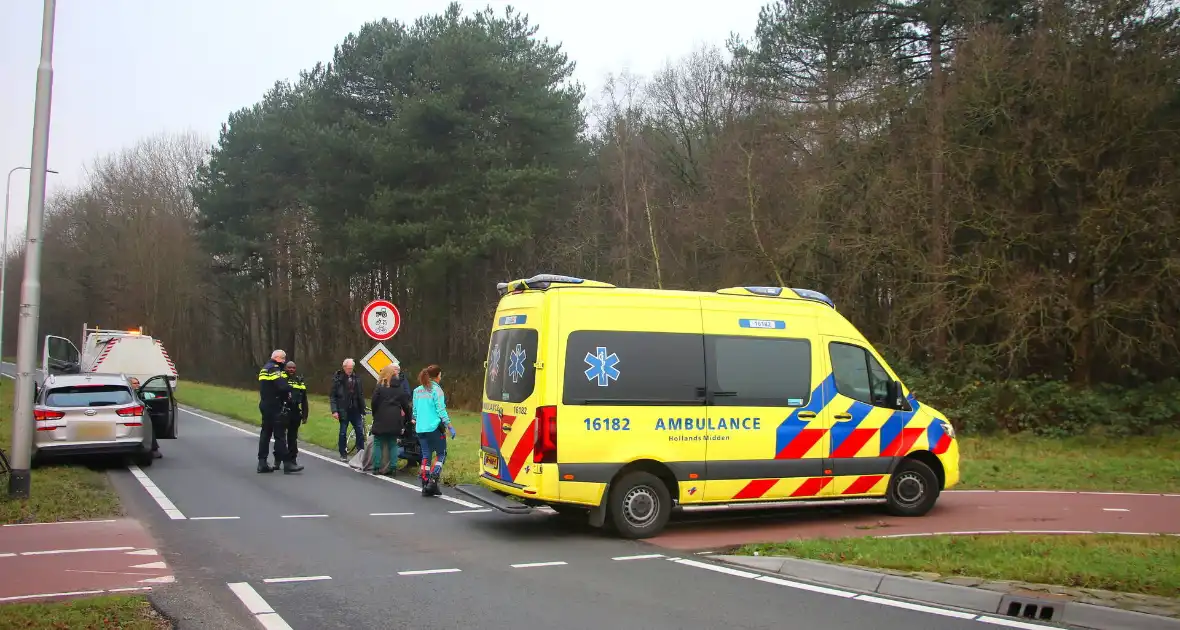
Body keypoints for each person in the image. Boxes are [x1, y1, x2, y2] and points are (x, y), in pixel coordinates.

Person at [412, 364, 456, 497]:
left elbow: (414, 411)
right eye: (440, 375)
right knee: (441, 453)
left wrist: (416, 419)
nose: (441, 377)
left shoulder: (417, 391)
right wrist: (449, 426)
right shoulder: (437, 390)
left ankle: (425, 484)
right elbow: (441, 410)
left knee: (426, 455)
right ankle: (433, 479)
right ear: (437, 376)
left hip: (420, 429)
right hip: (434, 428)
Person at [257, 349, 302, 474]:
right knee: (280, 435)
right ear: (278, 358)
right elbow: (282, 386)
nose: (284, 362)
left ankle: (262, 462)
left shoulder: (264, 368)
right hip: (275, 405)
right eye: (283, 359)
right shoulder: (275, 369)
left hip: (265, 403)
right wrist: (290, 388)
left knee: (265, 434)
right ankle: (287, 464)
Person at [369, 364, 412, 476]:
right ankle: (393, 467)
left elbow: (374, 402)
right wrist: (408, 418)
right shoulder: (399, 388)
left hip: (381, 417)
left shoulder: (380, 386)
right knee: (392, 443)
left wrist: (375, 414)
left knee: (378, 443)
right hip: (395, 418)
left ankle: (377, 467)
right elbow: (406, 405)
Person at [330, 358, 367, 461]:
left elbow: (360, 394)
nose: (350, 370)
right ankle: (343, 453)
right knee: (343, 432)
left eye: (352, 368)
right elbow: (333, 396)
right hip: (343, 409)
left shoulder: (357, 378)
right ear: (344, 367)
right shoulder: (338, 379)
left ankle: (361, 453)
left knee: (359, 431)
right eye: (348, 368)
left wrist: (362, 408)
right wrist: (334, 411)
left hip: (355, 409)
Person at [283, 361, 309, 468]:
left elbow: (304, 400)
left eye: (293, 368)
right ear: (285, 368)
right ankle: (278, 460)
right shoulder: (281, 379)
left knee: (292, 437)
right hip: (283, 411)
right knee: (280, 437)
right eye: (289, 368)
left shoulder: (299, 382)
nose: (291, 370)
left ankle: (292, 459)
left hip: (295, 412)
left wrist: (305, 415)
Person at [127, 377, 162, 460]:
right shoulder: (127, 394)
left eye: (138, 382)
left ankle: (153, 449)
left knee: (148, 427)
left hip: (140, 416)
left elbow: (154, 397)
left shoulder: (142, 393)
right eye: (135, 383)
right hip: (129, 416)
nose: (138, 385)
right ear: (129, 385)